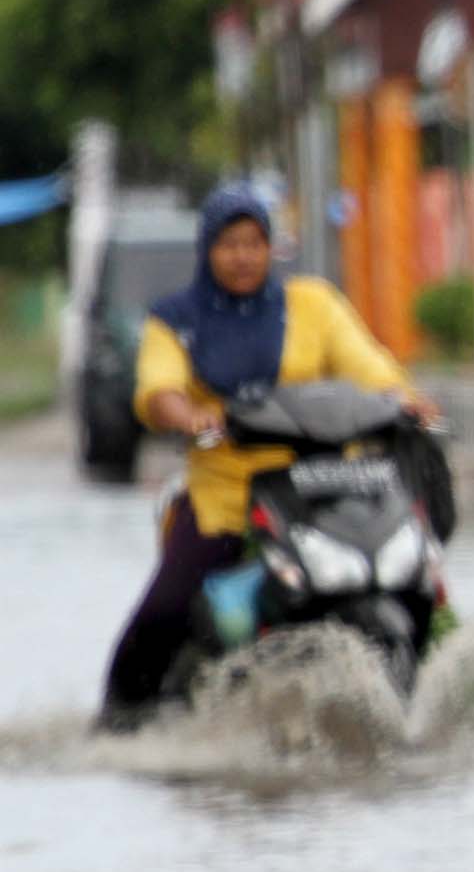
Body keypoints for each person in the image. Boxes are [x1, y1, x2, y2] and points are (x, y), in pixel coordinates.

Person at [97, 187, 433, 730]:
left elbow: (368, 367)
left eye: (254, 243)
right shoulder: (175, 320)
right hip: (227, 497)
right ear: (207, 249)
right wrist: (189, 416)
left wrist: (407, 402)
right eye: (229, 244)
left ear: (271, 247)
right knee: (165, 609)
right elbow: (159, 388)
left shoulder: (313, 305)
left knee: (417, 574)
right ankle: (120, 716)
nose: (243, 256)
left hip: (327, 488)